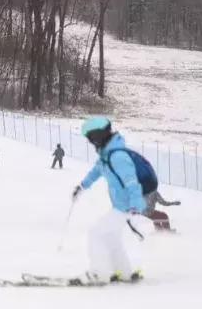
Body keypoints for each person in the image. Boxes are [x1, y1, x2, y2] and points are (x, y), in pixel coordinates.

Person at [71, 116, 148, 284]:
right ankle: (124, 272)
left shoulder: (118, 156)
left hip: (127, 207)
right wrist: (82, 186)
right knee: (111, 238)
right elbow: (96, 171)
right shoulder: (107, 155)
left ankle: (98, 274)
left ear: (98, 136)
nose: (91, 142)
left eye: (91, 138)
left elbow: (132, 182)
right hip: (121, 206)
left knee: (96, 234)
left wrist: (135, 206)